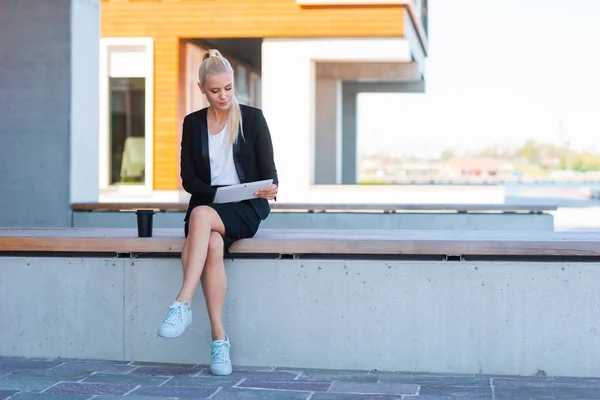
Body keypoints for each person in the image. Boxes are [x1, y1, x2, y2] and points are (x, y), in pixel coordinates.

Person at [156, 49, 279, 376]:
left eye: (227, 88)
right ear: (201, 89)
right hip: (208, 205)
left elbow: (270, 172)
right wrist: (217, 196)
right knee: (209, 240)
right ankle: (219, 339)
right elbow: (189, 179)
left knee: (200, 217)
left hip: (245, 209)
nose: (223, 96)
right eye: (215, 91)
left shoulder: (253, 118)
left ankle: (182, 303)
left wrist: (270, 188)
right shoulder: (193, 123)